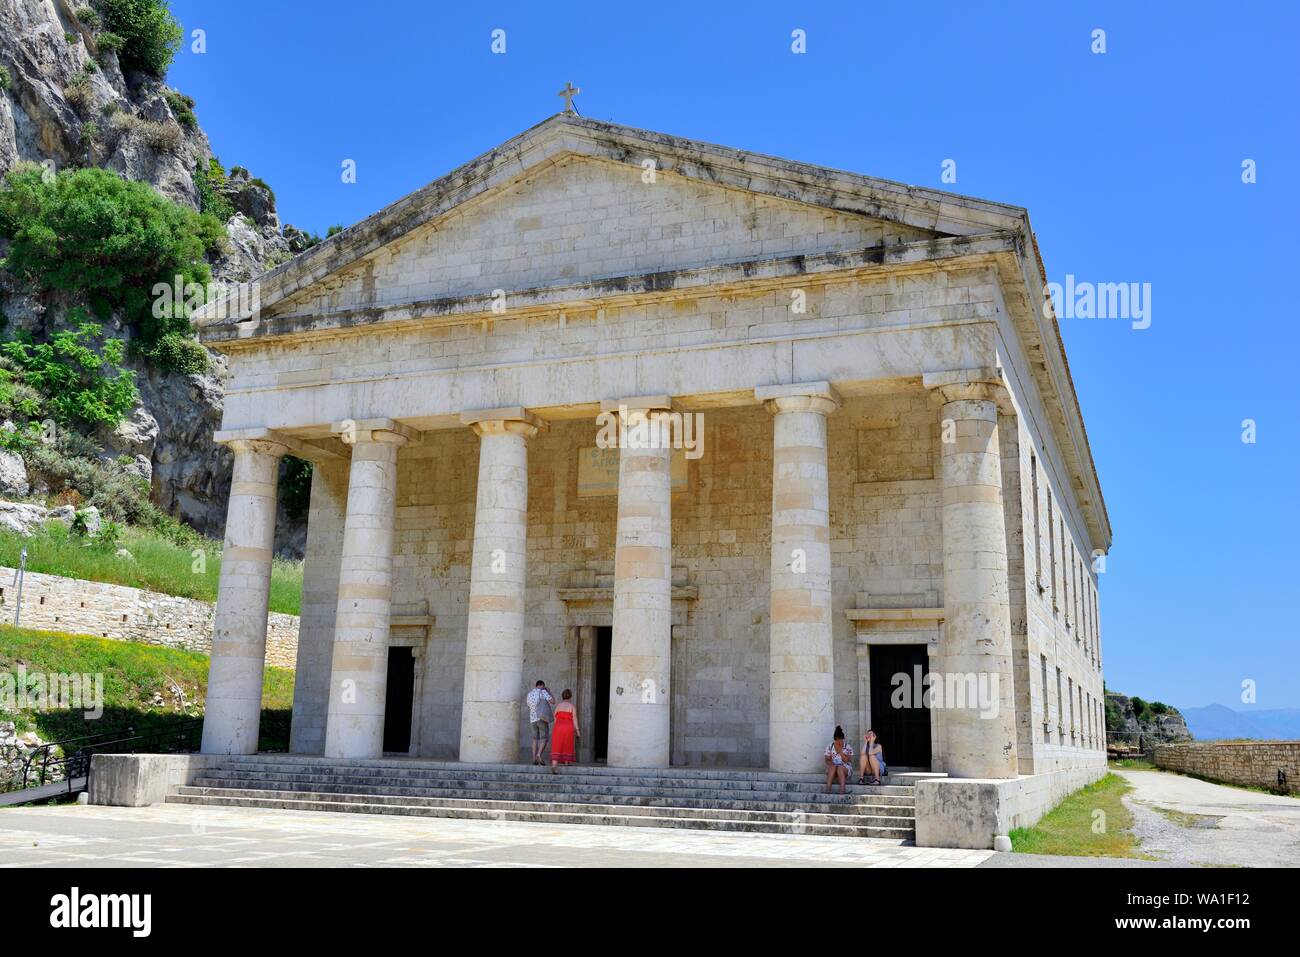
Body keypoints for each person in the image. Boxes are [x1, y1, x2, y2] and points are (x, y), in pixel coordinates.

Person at [550, 689, 580, 773]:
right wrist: (577, 730)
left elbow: (555, 718)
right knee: (567, 743)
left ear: (562, 696)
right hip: (568, 727)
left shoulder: (558, 706)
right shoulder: (572, 706)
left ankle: (554, 765)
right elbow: (574, 719)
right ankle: (567, 762)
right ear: (570, 696)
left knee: (557, 745)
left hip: (558, 727)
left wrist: (557, 727)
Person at [526, 680, 554, 765]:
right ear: (542, 685)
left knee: (535, 739)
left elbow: (529, 705)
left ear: (536, 685)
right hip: (541, 718)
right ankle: (538, 755)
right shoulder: (543, 692)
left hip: (532, 719)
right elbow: (553, 701)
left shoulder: (529, 694)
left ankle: (534, 758)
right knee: (544, 738)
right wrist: (549, 692)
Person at [824, 726, 854, 794]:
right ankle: (828, 788)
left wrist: (840, 751)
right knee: (833, 766)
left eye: (841, 740)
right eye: (838, 741)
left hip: (845, 769)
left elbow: (847, 761)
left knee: (840, 768)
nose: (840, 743)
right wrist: (831, 762)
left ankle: (842, 789)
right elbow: (826, 760)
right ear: (835, 740)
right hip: (833, 769)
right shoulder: (830, 746)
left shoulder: (847, 747)